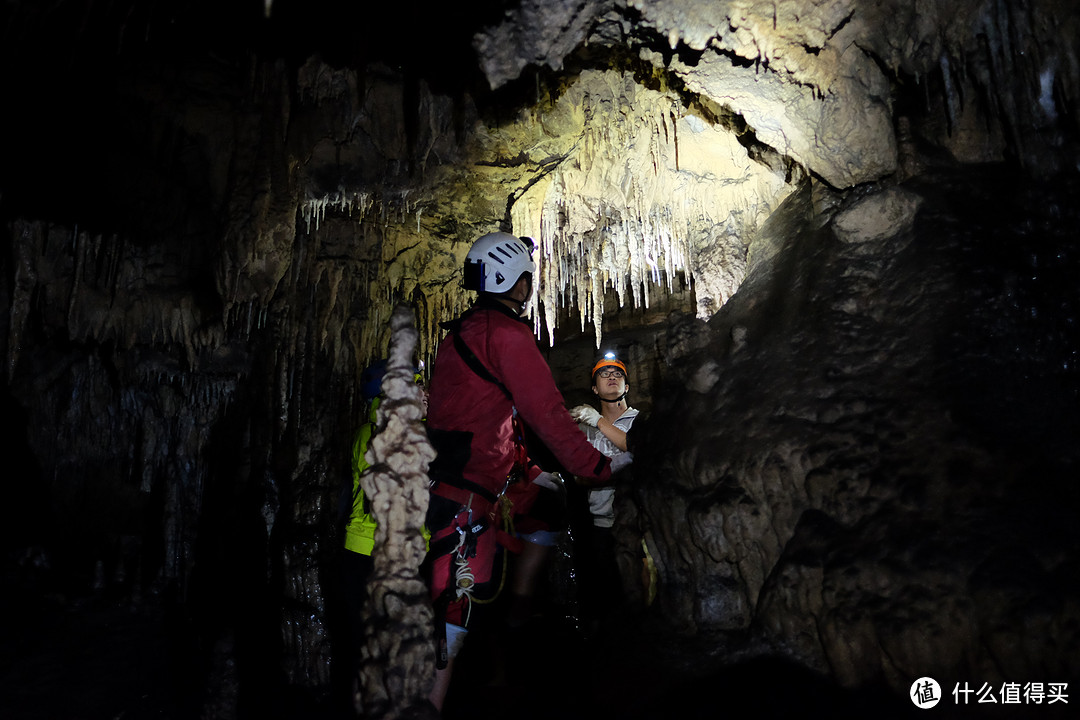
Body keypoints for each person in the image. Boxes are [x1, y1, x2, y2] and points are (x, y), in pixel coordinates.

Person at [423, 231, 630, 711]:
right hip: (466, 499)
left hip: (448, 490)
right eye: (528, 278)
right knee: (447, 621)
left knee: (444, 614)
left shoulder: (459, 334)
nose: (530, 286)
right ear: (516, 281)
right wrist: (597, 466)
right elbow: (548, 416)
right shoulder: (507, 336)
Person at [569, 352, 639, 630]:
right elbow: (577, 474)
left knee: (637, 586)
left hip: (636, 521)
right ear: (595, 389)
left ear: (627, 388)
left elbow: (634, 446)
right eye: (604, 374)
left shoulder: (639, 421)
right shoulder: (583, 428)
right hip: (599, 523)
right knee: (607, 592)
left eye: (618, 374)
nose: (612, 377)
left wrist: (598, 420)